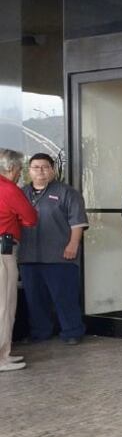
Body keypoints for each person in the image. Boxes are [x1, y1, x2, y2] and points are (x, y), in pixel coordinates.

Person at [18, 153, 88, 345]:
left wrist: (73, 245)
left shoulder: (67, 192)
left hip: (60, 255)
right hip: (29, 256)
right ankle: (41, 332)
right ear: (29, 170)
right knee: (34, 298)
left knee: (64, 297)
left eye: (45, 167)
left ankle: (72, 331)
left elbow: (78, 223)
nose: (40, 171)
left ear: (53, 169)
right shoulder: (21, 193)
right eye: (36, 167)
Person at [0, 150, 37, 372]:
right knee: (4, 305)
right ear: (12, 168)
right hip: (3, 252)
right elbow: (31, 218)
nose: (20, 173)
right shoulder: (8, 189)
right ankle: (1, 357)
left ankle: (5, 352)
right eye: (20, 168)